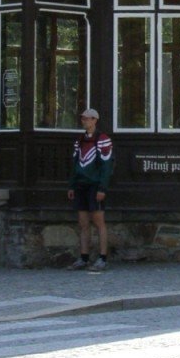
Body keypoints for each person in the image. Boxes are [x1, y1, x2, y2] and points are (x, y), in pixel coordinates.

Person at [68, 107, 113, 270]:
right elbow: (75, 163)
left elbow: (106, 166)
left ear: (95, 120)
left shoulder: (103, 139)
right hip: (81, 185)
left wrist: (102, 188)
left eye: (87, 118)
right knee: (83, 222)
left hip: (95, 185)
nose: (84, 121)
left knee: (99, 221)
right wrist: (72, 185)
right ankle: (84, 257)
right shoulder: (79, 140)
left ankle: (102, 258)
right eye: (83, 118)